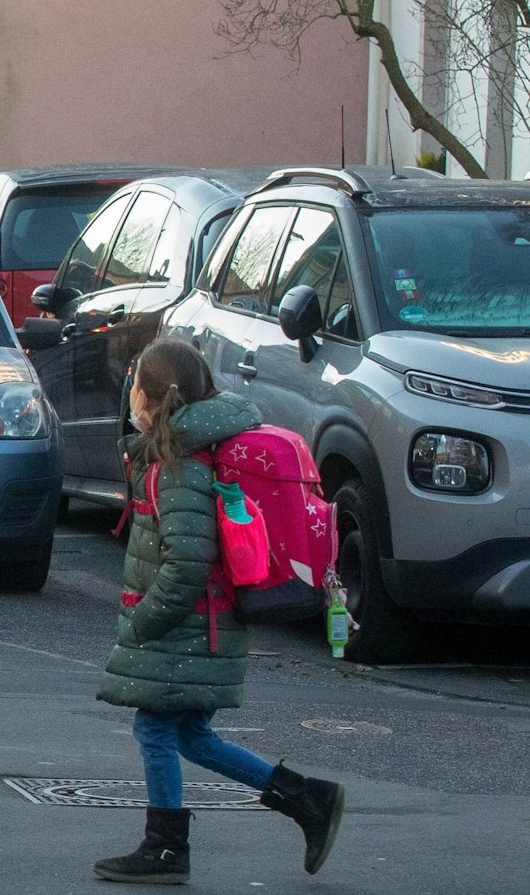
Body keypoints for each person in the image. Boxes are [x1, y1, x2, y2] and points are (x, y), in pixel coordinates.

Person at [94, 338, 345, 884]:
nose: (130, 396)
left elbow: (186, 561)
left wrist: (144, 623)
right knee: (190, 735)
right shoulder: (191, 451)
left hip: (188, 625)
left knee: (155, 731)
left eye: (136, 385)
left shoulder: (180, 465)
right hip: (209, 623)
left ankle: (165, 850)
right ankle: (307, 799)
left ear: (154, 399)